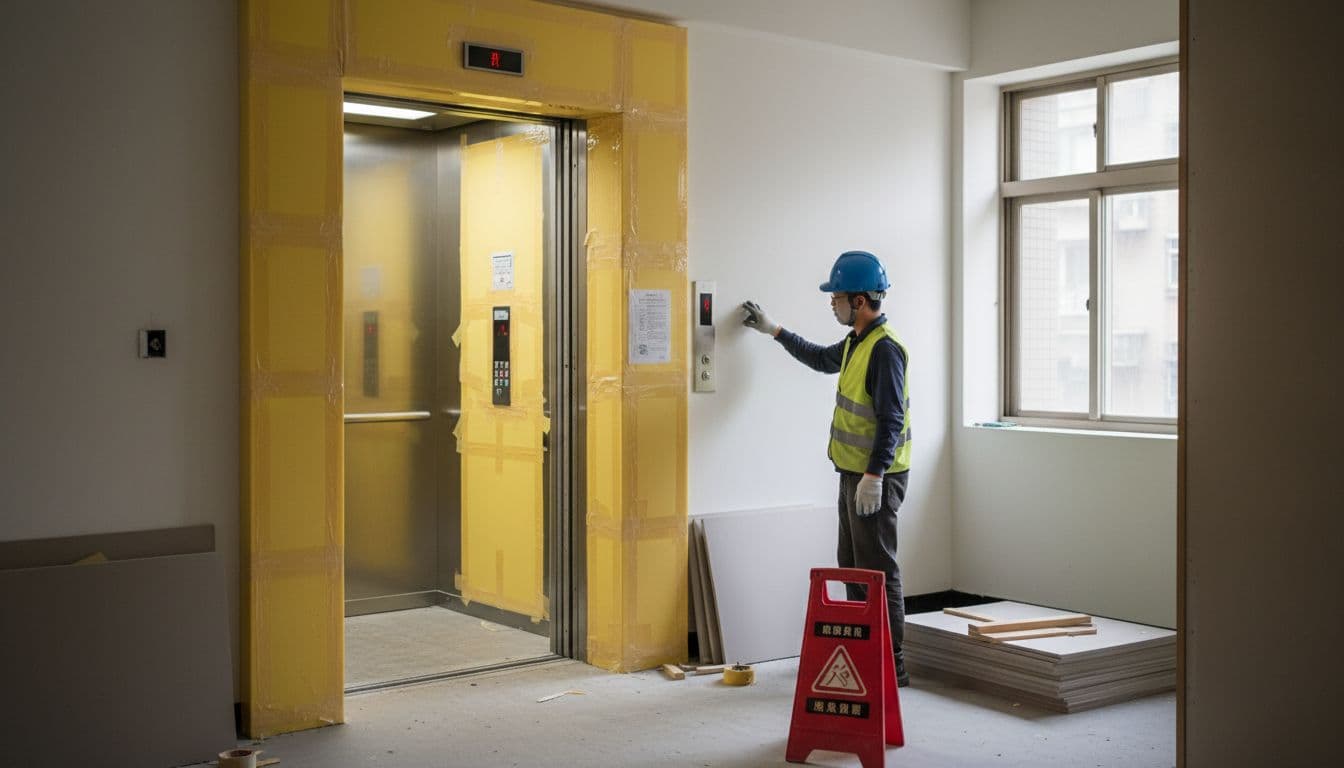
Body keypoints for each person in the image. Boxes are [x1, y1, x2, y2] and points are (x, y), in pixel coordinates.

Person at [740, 250, 912, 687]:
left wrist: (874, 476)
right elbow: (821, 359)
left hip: (876, 479)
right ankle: (865, 653)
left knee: (877, 570)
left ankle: (892, 667)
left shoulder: (884, 350)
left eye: (835, 296)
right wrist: (774, 330)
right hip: (853, 475)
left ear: (858, 300)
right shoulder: (858, 341)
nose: (831, 303)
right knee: (853, 564)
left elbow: (891, 419)